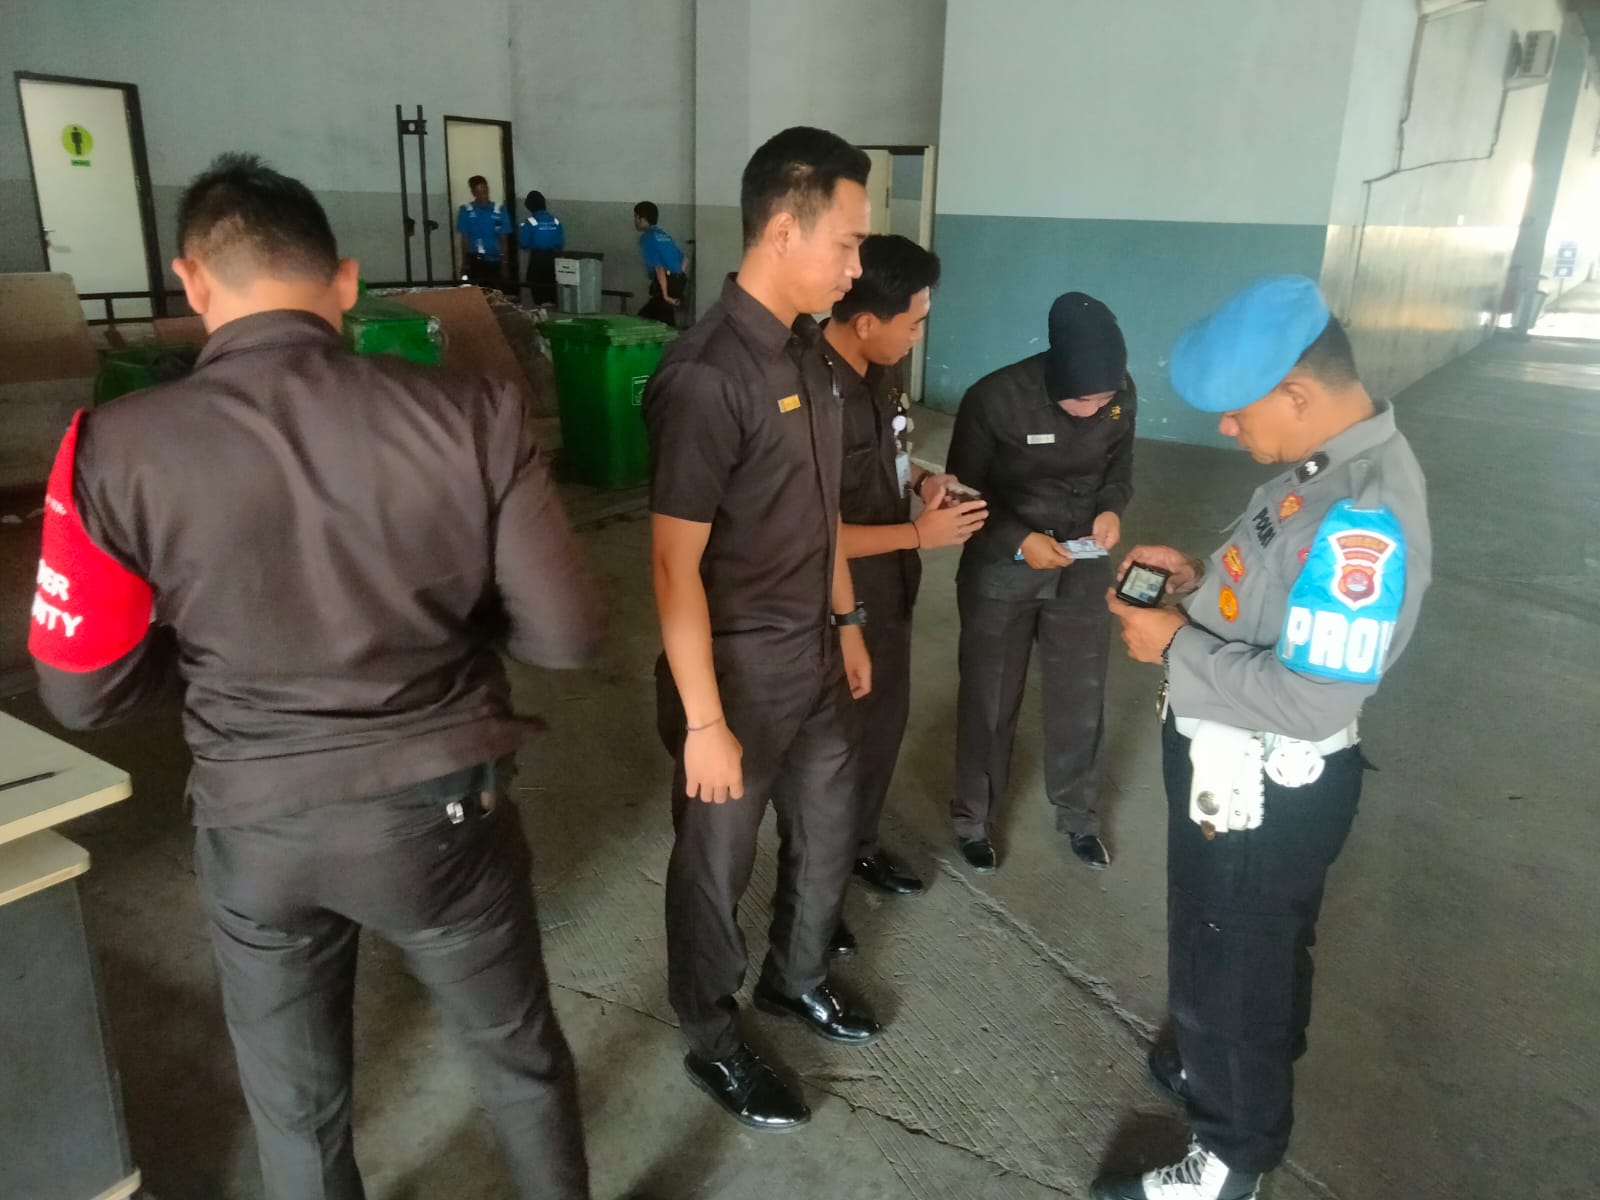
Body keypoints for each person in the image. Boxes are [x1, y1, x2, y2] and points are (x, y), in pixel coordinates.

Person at [29, 153, 598, 1200]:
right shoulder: (474, 410)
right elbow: (564, 635)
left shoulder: (110, 448)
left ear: (190, 281)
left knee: (297, 1110)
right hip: (440, 816)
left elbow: (80, 690)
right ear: (343, 281)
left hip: (257, 828)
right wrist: (447, 622)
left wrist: (211, 654)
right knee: (516, 1062)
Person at [1094, 275, 1432, 1200]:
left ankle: (1230, 1160)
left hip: (1261, 791)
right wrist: (1196, 584)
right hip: (1233, 771)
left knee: (1228, 969)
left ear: (1296, 392)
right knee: (1246, 952)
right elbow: (1271, 592)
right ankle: (1227, 1065)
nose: (1225, 428)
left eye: (1237, 412)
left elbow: (1312, 701)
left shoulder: (1363, 520)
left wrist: (1175, 645)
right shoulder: (1317, 466)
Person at [643, 126, 878, 1131]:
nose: (856, 267)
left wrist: (848, 621)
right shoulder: (707, 375)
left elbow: (822, 508)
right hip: (735, 671)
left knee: (827, 825)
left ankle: (798, 976)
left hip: (814, 649)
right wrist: (704, 722)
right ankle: (712, 1033)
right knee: (716, 865)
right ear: (785, 230)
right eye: (847, 243)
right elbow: (671, 565)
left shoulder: (809, 355)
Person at [818, 234, 987, 932]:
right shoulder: (810, 394)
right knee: (829, 756)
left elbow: (889, 451)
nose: (919, 335)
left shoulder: (881, 372)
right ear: (866, 321)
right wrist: (919, 535)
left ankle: (858, 848)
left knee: (882, 732)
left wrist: (921, 481)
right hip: (836, 606)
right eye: (913, 322)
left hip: (890, 592)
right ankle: (814, 901)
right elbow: (812, 534)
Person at [944, 292, 1136, 874]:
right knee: (990, 696)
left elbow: (1119, 469)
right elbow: (960, 492)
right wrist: (1017, 539)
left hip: (1081, 563)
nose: (1093, 410)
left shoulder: (1120, 395)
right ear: (1054, 377)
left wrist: (1111, 508)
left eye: (1103, 400)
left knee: (1080, 696)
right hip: (1002, 567)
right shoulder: (994, 399)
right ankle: (972, 819)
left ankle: (1079, 816)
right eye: (1081, 400)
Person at [634, 200, 687, 325]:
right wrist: (677, 277)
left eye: (636, 217)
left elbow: (659, 268)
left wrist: (665, 294)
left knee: (646, 320)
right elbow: (685, 259)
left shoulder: (647, 238)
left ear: (642, 219)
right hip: (677, 281)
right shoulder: (663, 235)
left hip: (663, 285)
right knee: (664, 319)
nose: (635, 220)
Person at [457, 173, 513, 290]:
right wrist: (464, 263)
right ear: (473, 193)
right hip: (474, 261)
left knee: (494, 294)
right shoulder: (466, 211)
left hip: (494, 261)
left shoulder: (499, 210)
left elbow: (504, 240)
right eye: (479, 192)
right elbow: (464, 239)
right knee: (476, 294)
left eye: (485, 191)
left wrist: (505, 264)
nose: (483, 196)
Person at [519, 189, 565, 307]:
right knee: (552, 295)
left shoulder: (529, 222)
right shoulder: (555, 221)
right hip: (553, 260)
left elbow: (523, 244)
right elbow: (560, 244)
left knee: (539, 296)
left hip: (537, 260)